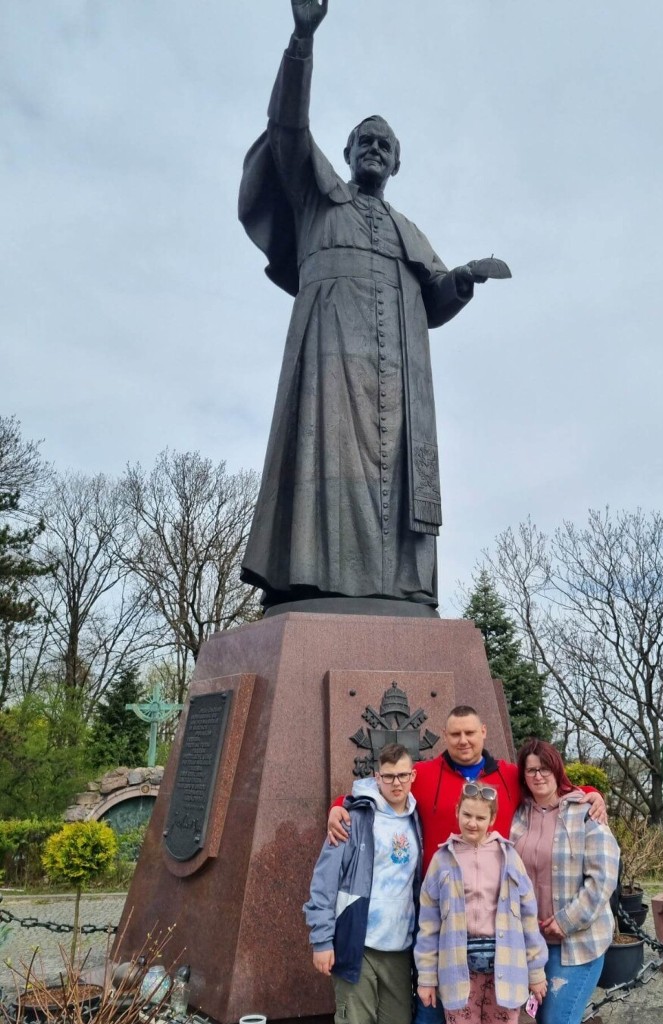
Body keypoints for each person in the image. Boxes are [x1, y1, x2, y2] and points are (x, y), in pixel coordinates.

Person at [239, 0, 501, 612]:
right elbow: (287, 128)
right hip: (329, 362)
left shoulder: (407, 228)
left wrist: (460, 280)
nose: (375, 150)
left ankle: (397, 587)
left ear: (398, 162)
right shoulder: (318, 200)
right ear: (349, 151)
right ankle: (310, 579)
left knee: (399, 478)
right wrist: (301, 42)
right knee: (321, 461)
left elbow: (434, 298)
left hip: (400, 382)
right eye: (366, 141)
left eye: (386, 145)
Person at [328, 706, 608, 1024]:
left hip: (497, 945)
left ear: (483, 733)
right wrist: (338, 807)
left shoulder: (510, 775)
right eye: (454, 733)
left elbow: (549, 784)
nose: (462, 741)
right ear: (445, 734)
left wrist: (590, 791)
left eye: (469, 733)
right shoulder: (423, 771)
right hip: (438, 922)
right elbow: (380, 783)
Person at [414, 783, 548, 1024]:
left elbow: (528, 917)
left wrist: (536, 971)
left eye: (480, 817)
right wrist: (426, 977)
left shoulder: (508, 857)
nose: (472, 823)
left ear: (492, 819)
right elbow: (427, 924)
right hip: (459, 974)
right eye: (467, 815)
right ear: (457, 812)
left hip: (506, 970)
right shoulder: (443, 860)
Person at [304, 743, 421, 1024]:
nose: (395, 783)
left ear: (412, 775)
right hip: (357, 943)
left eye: (403, 775)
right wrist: (321, 940)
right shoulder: (354, 818)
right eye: (388, 776)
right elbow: (324, 882)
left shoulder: (417, 818)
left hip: (400, 946)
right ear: (377, 777)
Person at [511, 740, 620, 1024]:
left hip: (578, 942)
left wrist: (567, 920)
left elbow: (603, 876)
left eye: (545, 768)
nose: (538, 775)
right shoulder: (519, 815)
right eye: (530, 770)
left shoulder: (583, 811)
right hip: (536, 946)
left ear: (557, 770)